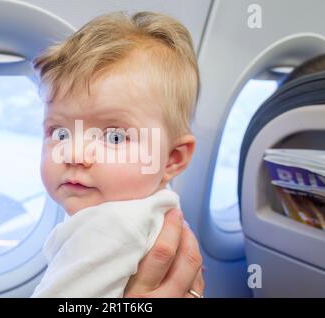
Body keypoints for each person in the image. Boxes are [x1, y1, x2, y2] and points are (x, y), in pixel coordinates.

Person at [31, 11, 203, 298]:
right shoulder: (150, 205)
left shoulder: (110, 226)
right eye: (60, 133)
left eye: (114, 137)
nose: (74, 154)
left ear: (173, 158)